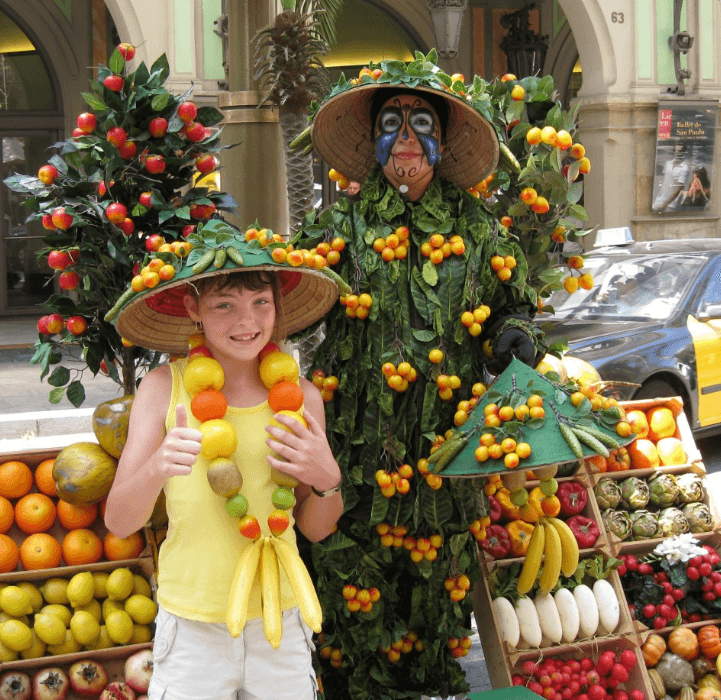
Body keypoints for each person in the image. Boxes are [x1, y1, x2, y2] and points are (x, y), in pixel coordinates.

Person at [297, 62, 546, 699]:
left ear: (444, 139)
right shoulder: (337, 230)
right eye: (390, 123)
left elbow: (512, 303)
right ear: (372, 140)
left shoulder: (482, 229)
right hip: (354, 461)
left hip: (446, 455)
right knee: (351, 602)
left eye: (421, 123)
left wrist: (514, 334)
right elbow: (289, 304)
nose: (405, 135)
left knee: (438, 604)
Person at [107, 226, 341, 700]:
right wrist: (156, 467)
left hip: (281, 619)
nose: (246, 320)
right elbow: (118, 521)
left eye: (260, 302)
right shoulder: (161, 390)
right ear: (194, 308)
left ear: (277, 305)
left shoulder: (301, 399)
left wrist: (327, 481)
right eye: (224, 305)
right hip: (192, 626)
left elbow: (318, 529)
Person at [652, 142, 691, 213]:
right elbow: (664, 181)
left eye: (680, 151)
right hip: (659, 200)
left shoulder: (684, 168)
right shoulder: (668, 164)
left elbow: (679, 190)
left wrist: (664, 205)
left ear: (683, 152)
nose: (678, 153)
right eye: (676, 151)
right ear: (673, 152)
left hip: (672, 204)